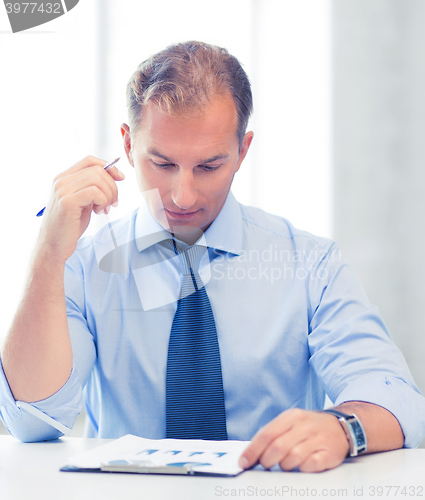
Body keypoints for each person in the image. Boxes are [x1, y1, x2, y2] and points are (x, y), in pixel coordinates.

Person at [1, 41, 424, 473]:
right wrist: (48, 256)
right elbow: (30, 421)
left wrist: (342, 429)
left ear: (242, 150)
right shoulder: (83, 264)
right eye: (162, 164)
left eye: (208, 166)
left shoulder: (311, 264)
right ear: (128, 146)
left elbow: (398, 401)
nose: (182, 196)